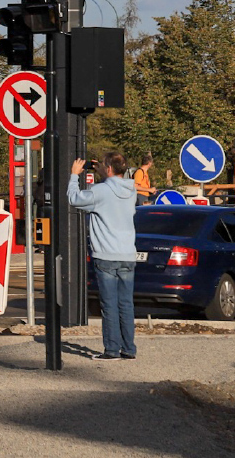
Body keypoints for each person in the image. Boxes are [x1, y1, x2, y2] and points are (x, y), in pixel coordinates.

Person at [68, 152, 138, 361]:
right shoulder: (131, 190)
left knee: (109, 304)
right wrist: (102, 172)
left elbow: (74, 199)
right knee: (126, 304)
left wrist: (74, 176)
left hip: (106, 255)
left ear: (108, 169)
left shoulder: (100, 191)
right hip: (127, 253)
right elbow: (111, 190)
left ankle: (111, 350)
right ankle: (129, 349)